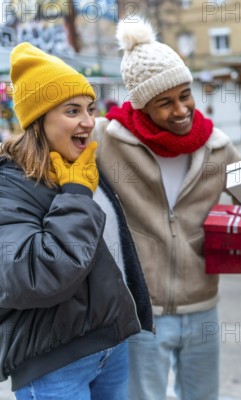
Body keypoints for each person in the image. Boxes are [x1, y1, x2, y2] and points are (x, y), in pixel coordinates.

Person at [93, 20, 241, 400]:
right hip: (139, 310)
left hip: (203, 305)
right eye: (165, 102)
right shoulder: (105, 140)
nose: (181, 110)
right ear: (141, 105)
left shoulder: (218, 146)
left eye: (185, 95)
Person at [0, 43, 153, 399]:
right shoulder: (11, 185)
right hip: (55, 363)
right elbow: (35, 274)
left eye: (89, 108)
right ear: (38, 121)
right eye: (72, 111)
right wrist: (74, 193)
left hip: (111, 346)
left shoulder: (81, 165)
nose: (88, 121)